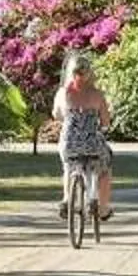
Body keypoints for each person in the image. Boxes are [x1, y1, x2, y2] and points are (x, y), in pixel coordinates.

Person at [54, 53, 113, 221]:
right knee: (104, 167)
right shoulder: (97, 94)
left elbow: (57, 115)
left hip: (69, 143)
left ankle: (66, 200)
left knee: (68, 166)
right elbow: (106, 121)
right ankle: (102, 207)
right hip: (92, 143)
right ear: (89, 73)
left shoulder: (62, 93)